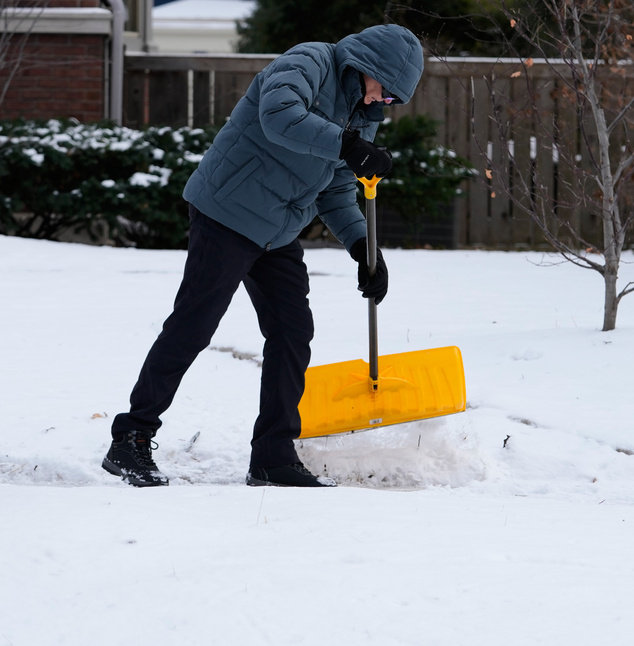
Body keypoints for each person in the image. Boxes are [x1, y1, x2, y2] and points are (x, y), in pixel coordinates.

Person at [102, 24, 424, 487]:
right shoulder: (310, 60)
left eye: (393, 101)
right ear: (371, 68)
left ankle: (272, 456)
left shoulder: (362, 112)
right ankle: (130, 437)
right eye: (387, 93)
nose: (383, 103)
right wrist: (347, 144)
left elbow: (336, 185)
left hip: (277, 229)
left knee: (293, 330)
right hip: (227, 210)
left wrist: (362, 247)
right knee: (195, 323)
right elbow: (280, 115)